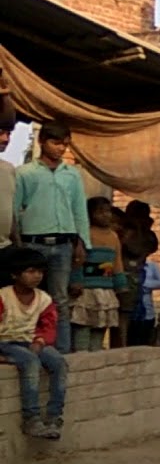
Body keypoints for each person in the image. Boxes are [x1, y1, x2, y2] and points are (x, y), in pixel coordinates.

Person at [15, 122, 90, 354]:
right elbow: (15, 210)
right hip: (32, 242)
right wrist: (17, 245)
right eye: (55, 143)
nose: (60, 149)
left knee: (60, 299)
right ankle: (29, 345)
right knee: (30, 296)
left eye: (65, 144)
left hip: (64, 243)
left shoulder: (72, 175)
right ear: (41, 142)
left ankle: (62, 350)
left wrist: (82, 242)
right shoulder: (25, 173)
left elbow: (79, 210)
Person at [0, 248, 67, 439]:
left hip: (30, 341)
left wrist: (40, 341)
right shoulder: (3, 296)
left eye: (40, 271)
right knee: (30, 362)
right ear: (15, 274)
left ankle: (54, 417)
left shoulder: (44, 298)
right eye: (30, 271)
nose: (36, 276)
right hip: (6, 341)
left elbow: (49, 326)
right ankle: (32, 418)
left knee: (58, 362)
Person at [70, 197, 126, 352]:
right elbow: (78, 260)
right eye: (100, 212)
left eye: (108, 211)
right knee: (83, 325)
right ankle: (80, 359)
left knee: (100, 326)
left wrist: (120, 283)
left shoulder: (113, 237)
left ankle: (95, 358)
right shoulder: (85, 233)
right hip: (86, 290)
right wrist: (76, 279)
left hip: (106, 290)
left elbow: (117, 261)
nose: (105, 215)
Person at [116, 201, 159, 347]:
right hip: (124, 273)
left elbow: (150, 246)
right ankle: (121, 345)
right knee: (123, 313)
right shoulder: (126, 232)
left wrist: (142, 228)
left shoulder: (145, 234)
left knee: (132, 312)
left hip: (136, 275)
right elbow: (131, 248)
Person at [129, 247, 160, 348]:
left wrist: (143, 283)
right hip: (132, 310)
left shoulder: (152, 266)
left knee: (145, 340)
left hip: (147, 309)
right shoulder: (130, 266)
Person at [0, 122, 16, 250]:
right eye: (0, 133)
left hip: (5, 247)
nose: (6, 139)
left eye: (8, 134)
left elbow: (13, 210)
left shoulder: (8, 169)